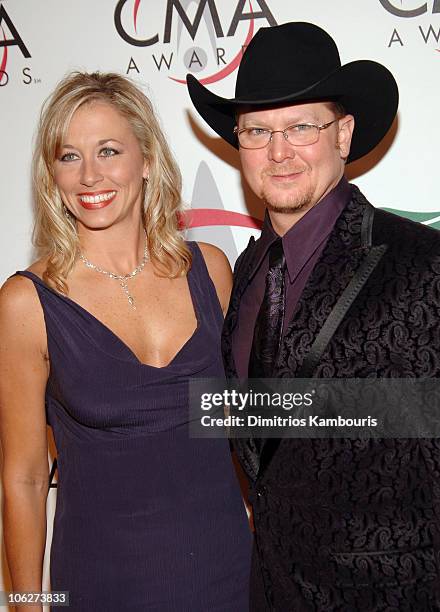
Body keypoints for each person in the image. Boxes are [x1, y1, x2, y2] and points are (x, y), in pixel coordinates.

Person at [187, 21, 440, 612]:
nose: (278, 152)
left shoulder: (422, 264)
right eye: (258, 131)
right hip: (270, 588)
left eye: (301, 126)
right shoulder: (244, 274)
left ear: (344, 134)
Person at [0, 71, 252, 611]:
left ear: (147, 158)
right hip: (101, 585)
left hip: (228, 574)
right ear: (51, 173)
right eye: (69, 156)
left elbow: (245, 431)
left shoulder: (210, 271)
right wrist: (25, 603)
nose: (89, 175)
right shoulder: (27, 303)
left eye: (108, 151)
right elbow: (22, 475)